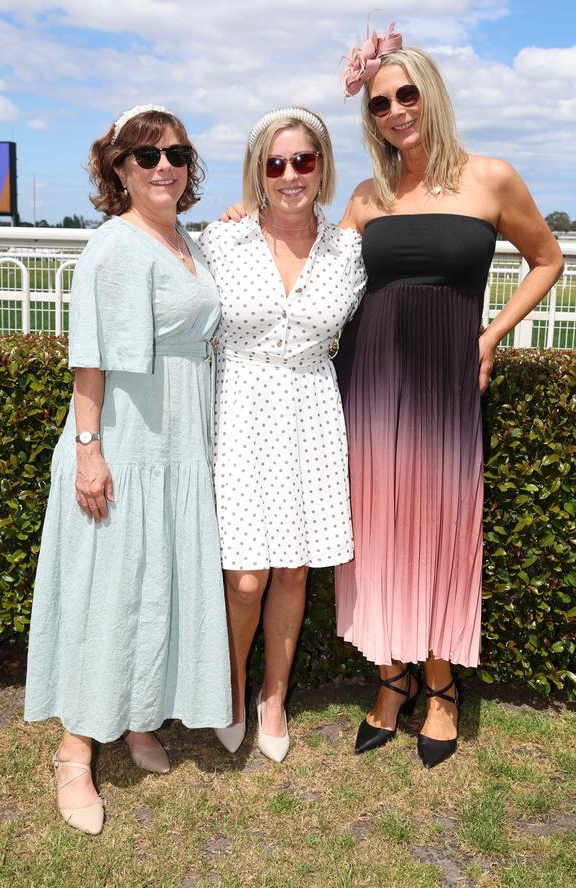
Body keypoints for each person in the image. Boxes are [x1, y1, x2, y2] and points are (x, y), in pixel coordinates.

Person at [335, 23, 564, 767]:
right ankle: (390, 675)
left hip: (444, 378)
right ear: (369, 118)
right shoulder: (369, 196)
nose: (396, 110)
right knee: (372, 531)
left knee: (438, 526)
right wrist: (250, 219)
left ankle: (439, 687)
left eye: (406, 94)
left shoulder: (491, 177)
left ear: (431, 94)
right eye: (379, 103)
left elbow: (546, 259)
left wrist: (490, 337)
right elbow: (318, 271)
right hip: (370, 377)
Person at [24, 105, 231, 833]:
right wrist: (88, 451)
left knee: (160, 582)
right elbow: (90, 357)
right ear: (117, 169)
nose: (163, 166)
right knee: (111, 588)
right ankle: (75, 750)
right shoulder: (114, 247)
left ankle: (139, 715)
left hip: (178, 442)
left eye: (175, 153)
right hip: (126, 442)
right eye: (145, 158)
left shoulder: (188, 242)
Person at [198, 108, 366, 762]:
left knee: (293, 569)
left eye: (303, 160)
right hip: (240, 408)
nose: (290, 174)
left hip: (311, 410)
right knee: (245, 576)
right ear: (257, 172)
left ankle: (275, 694)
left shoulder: (348, 248)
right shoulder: (221, 241)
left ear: (322, 166)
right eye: (275, 163)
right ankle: (232, 688)